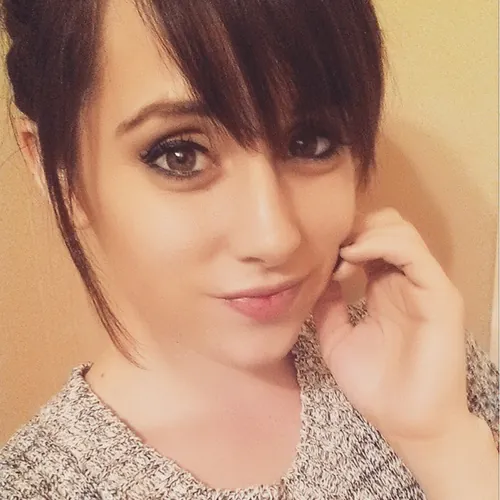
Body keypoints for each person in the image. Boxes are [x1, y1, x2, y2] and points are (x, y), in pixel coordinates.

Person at [0, 0, 498, 498]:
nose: (274, 238)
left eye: (310, 142)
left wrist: (442, 443)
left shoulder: (422, 359)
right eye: (180, 154)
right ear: (58, 172)